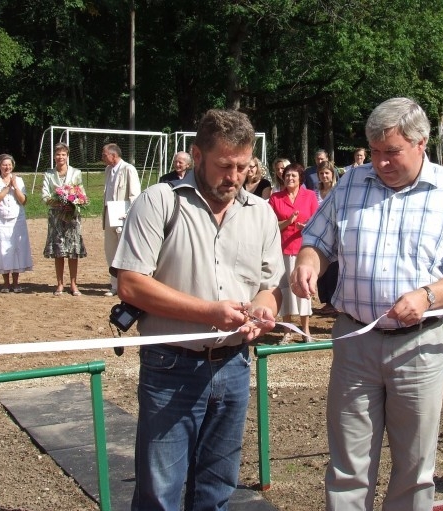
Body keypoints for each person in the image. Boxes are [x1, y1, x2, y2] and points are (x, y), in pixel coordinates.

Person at [290, 97, 443, 510]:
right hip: (354, 342)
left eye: (391, 152)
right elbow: (317, 240)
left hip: (420, 346)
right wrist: (309, 262)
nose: (380, 162)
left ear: (422, 143)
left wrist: (429, 296)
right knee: (347, 466)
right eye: (375, 152)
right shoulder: (350, 182)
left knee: (414, 469)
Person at [111, 109, 284, 511]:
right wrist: (210, 312)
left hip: (235, 367)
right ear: (197, 155)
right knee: (160, 494)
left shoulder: (260, 213)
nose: (235, 176)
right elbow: (131, 284)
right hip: (170, 368)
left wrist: (262, 309)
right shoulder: (159, 201)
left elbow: (269, 286)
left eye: (243, 166)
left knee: (217, 489)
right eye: (225, 165)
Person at [268, 162, 318, 342]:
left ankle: (305, 331)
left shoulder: (310, 196)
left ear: (300, 179)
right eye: (287, 175)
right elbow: (271, 226)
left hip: (304, 250)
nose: (289, 178)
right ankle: (287, 330)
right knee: (286, 289)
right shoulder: (276, 198)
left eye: (293, 176)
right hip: (283, 250)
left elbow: (317, 222)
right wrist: (288, 222)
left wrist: (307, 227)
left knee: (304, 288)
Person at [41, 142, 87, 296]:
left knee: (73, 250)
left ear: (67, 156)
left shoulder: (76, 172)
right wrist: (59, 201)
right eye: (57, 154)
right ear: (54, 156)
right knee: (59, 251)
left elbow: (81, 193)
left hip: (72, 215)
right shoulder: (48, 174)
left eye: (63, 154)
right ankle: (60, 284)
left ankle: (73, 284)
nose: (60, 157)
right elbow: (45, 196)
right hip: (56, 216)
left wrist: (76, 201)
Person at [0, 154, 33, 293]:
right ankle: (6, 283)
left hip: (16, 220)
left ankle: (16, 282)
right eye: (4, 165)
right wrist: (7, 188)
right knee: (2, 248)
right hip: (0, 220)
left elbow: (23, 201)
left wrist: (15, 187)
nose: (7, 167)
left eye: (9, 164)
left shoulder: (19, 180)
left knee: (16, 248)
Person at [101, 143, 141, 297]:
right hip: (109, 214)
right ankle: (114, 284)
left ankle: (127, 285)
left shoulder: (128, 169)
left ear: (114, 155)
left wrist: (129, 214)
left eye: (105, 155)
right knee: (110, 250)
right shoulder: (108, 170)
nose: (103, 158)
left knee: (124, 252)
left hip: (123, 215)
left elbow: (135, 195)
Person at [314, 161, 339, 316]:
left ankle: (334, 300)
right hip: (318, 233)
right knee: (321, 267)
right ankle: (326, 300)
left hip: (334, 233)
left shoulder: (338, 190)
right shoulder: (315, 192)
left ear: (332, 174)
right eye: (322, 173)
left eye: (327, 173)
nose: (324, 176)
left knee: (334, 268)